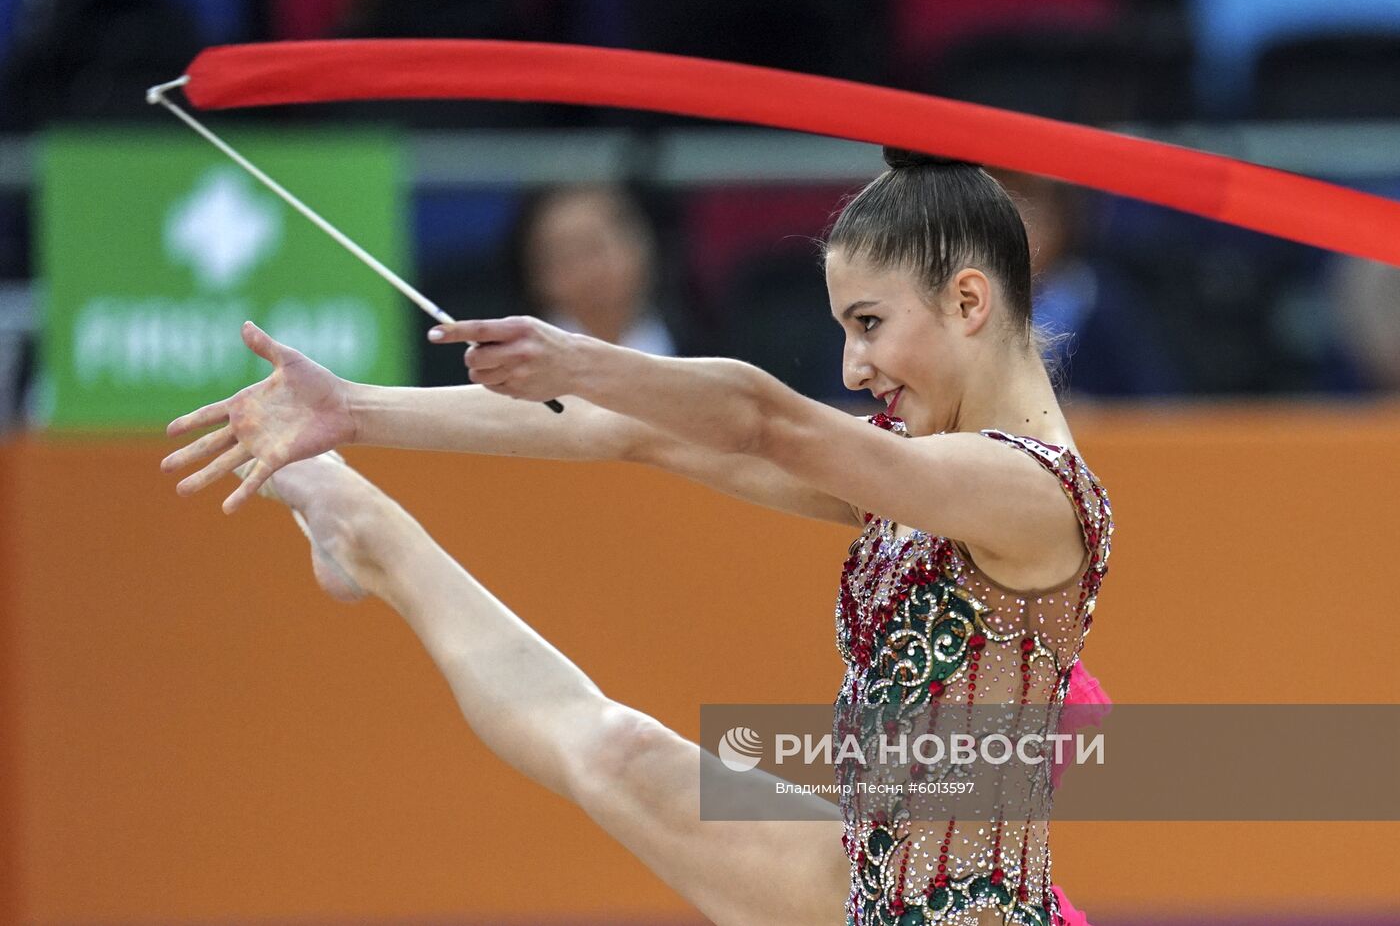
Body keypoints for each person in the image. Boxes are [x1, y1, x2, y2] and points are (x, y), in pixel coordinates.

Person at [162, 149, 1111, 926]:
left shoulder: (1031, 490)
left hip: (962, 908)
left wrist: (581, 354)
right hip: (864, 886)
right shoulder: (916, 470)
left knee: (607, 748)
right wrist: (355, 410)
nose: (853, 365)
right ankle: (361, 525)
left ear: (970, 302)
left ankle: (365, 532)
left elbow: (762, 416)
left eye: (869, 325)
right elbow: (630, 427)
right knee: (609, 750)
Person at [509, 184, 679, 356]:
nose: (589, 271)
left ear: (639, 248)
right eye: (568, 255)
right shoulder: (505, 364)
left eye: (595, 249)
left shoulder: (700, 353)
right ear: (538, 275)